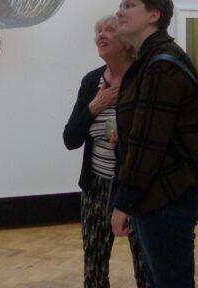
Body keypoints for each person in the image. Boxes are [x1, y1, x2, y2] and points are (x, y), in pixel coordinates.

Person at [111, 0, 198, 288]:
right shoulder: (153, 60)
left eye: (129, 5)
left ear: (153, 15)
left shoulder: (161, 66)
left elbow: (146, 144)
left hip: (167, 197)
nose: (120, 11)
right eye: (121, 5)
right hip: (161, 196)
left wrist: (123, 202)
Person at [64, 15, 150, 288]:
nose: (101, 35)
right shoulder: (92, 82)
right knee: (94, 269)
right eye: (98, 31)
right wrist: (95, 106)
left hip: (135, 189)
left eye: (109, 30)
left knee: (146, 269)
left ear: (126, 40)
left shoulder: (143, 80)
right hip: (96, 188)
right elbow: (70, 138)